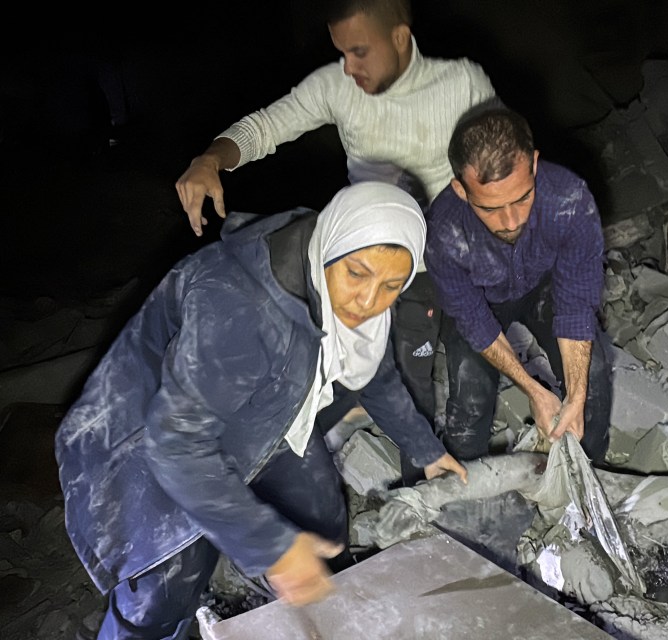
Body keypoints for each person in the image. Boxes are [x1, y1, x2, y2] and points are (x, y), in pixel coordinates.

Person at [55, 182, 467, 640]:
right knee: (166, 586)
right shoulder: (239, 307)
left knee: (323, 527)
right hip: (151, 435)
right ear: (333, 247)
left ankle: (307, 623)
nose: (368, 303)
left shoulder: (343, 261)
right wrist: (272, 548)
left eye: (392, 286)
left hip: (265, 414)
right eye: (356, 275)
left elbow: (375, 374)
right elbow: (175, 444)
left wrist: (425, 449)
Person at [174, 0, 499, 476]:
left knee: (476, 377)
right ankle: (426, 490)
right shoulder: (337, 86)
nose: (348, 66)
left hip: (461, 254)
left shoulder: (462, 83)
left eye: (359, 51)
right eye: (341, 52)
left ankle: (470, 481)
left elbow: (504, 156)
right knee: (410, 379)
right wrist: (211, 159)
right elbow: (265, 126)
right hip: (386, 267)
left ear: (401, 39)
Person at [425, 106, 612, 463]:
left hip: (545, 285)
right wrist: (534, 391)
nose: (511, 221)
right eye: (491, 208)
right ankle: (468, 492)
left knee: (595, 376)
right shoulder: (443, 232)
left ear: (535, 165)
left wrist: (575, 394)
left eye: (523, 198)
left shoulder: (570, 201)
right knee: (471, 396)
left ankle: (592, 471)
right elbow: (475, 322)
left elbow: (575, 305)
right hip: (482, 301)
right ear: (461, 190)